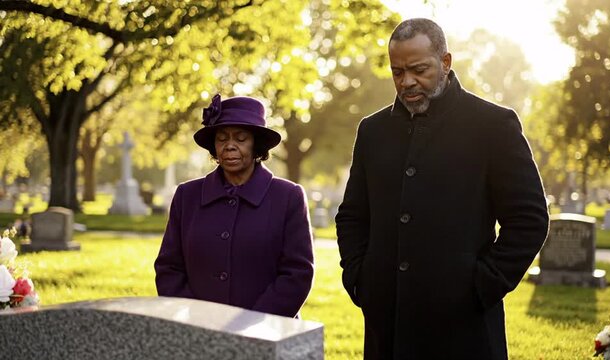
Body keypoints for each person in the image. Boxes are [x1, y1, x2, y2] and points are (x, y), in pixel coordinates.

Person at [335, 18, 549, 359]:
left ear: (446, 62)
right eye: (397, 72)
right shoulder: (372, 131)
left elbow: (529, 219)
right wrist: (360, 278)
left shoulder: (493, 125)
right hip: (386, 327)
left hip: (465, 331)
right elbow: (352, 215)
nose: (407, 82)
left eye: (419, 70)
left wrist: (481, 286)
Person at [155, 94, 314, 318]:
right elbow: (169, 269)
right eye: (221, 139)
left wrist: (253, 323)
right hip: (198, 333)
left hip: (267, 333)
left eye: (240, 139)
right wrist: (197, 320)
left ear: (256, 144)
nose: (229, 146)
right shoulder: (186, 196)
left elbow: (297, 274)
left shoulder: (288, 197)